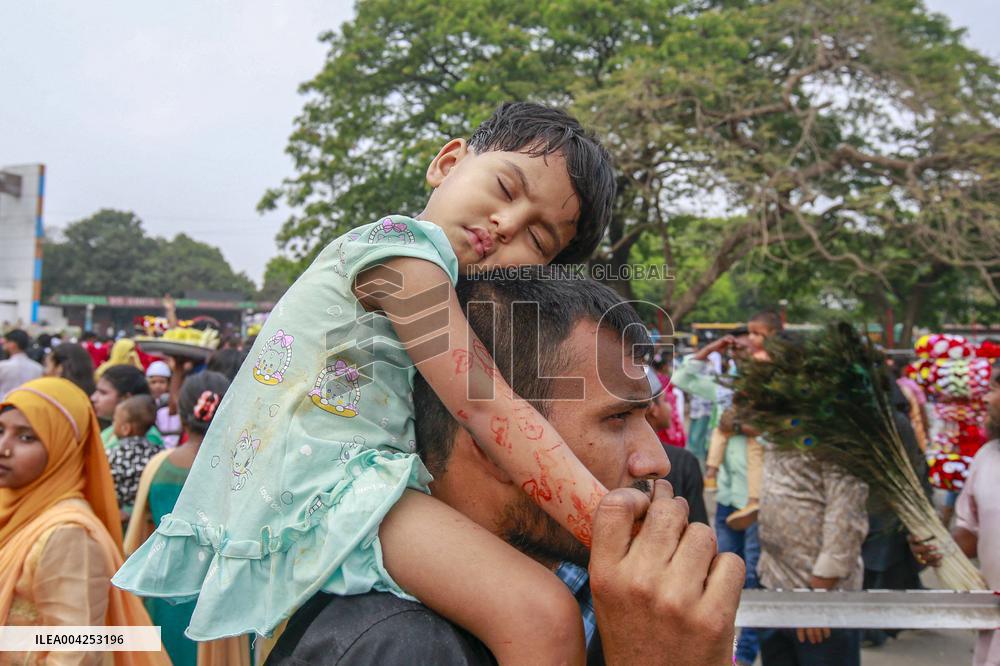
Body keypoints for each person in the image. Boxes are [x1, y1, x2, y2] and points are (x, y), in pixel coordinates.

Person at [116, 101, 625, 663]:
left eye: (538, 238)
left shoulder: (435, 278)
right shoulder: (404, 250)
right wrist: (612, 530)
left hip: (340, 485)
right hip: (334, 488)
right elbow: (486, 406)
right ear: (448, 162)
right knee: (543, 615)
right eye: (506, 188)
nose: (507, 225)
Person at [267, 273, 744, 665]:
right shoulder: (396, 647)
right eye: (617, 418)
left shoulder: (604, 597)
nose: (658, 460)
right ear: (496, 446)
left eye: (645, 415)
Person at [0, 377, 168, 666]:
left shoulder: (67, 534)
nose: (4, 447)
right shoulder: (15, 507)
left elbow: (76, 652)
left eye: (27, 437)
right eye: (0, 430)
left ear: (63, 448)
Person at [124, 371, 249, 666]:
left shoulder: (158, 467)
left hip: (166, 595)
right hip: (225, 601)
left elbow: (137, 542)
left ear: (180, 415)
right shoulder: (246, 470)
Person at [757, 446, 868, 665]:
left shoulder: (836, 436)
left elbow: (845, 518)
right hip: (775, 586)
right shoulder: (774, 430)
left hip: (820, 598)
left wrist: (816, 596)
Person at [645, 367, 708, 524]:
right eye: (665, 400)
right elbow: (699, 527)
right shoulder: (683, 462)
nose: (670, 407)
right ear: (653, 409)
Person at [106, 395, 159, 527]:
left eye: (115, 420)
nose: (113, 424)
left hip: (118, 519)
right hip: (147, 519)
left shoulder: (113, 453)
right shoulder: (157, 452)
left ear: (126, 429)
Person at [91, 365, 163, 450]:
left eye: (103, 393)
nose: (93, 398)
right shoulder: (111, 430)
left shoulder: (146, 438)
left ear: (126, 399)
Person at [0, 329, 44, 397]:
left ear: (13, 344)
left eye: (6, 342)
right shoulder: (38, 368)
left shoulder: (3, 366)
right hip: (28, 404)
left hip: (5, 403)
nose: (3, 344)